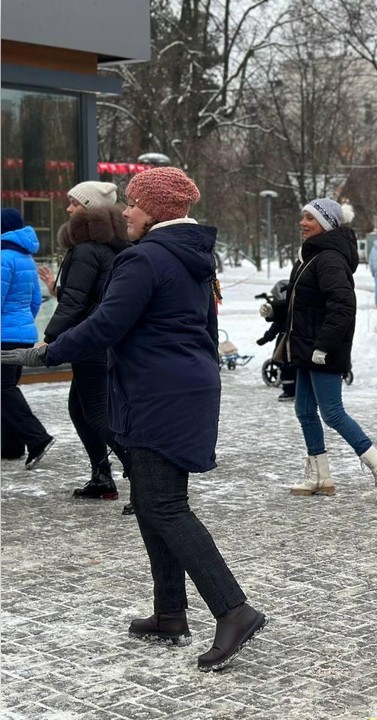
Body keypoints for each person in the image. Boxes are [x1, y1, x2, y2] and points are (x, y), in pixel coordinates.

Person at [1, 167, 266, 672]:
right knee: (149, 503)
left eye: (135, 204)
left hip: (156, 394)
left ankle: (233, 609)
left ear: (158, 211)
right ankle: (170, 614)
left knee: (165, 507)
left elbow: (105, 325)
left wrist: (44, 353)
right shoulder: (193, 256)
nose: (126, 211)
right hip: (180, 387)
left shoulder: (145, 258)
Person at [261, 198, 377, 504]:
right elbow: (307, 302)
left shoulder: (329, 259)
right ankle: (320, 475)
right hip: (307, 349)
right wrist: (277, 309)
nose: (302, 222)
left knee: (333, 413)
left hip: (323, 350)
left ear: (326, 224)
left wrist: (324, 346)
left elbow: (343, 307)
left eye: (309, 218)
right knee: (304, 411)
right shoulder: (311, 256)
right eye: (302, 216)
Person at [39, 182, 131, 500]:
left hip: (91, 342)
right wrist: (57, 289)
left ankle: (143, 479)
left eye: (74, 203)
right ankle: (102, 477)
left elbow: (76, 302)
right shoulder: (109, 247)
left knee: (97, 414)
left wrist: (49, 339)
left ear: (89, 211)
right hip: (99, 340)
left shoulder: (85, 249)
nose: (68, 209)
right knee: (79, 410)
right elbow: (89, 296)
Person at [1, 208, 55, 468]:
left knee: (4, 388)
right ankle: (11, 446)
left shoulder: (3, 257)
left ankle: (38, 438)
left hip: (4, 334)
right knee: (8, 387)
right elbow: (35, 300)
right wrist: (22, 324)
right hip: (22, 333)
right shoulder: (25, 258)